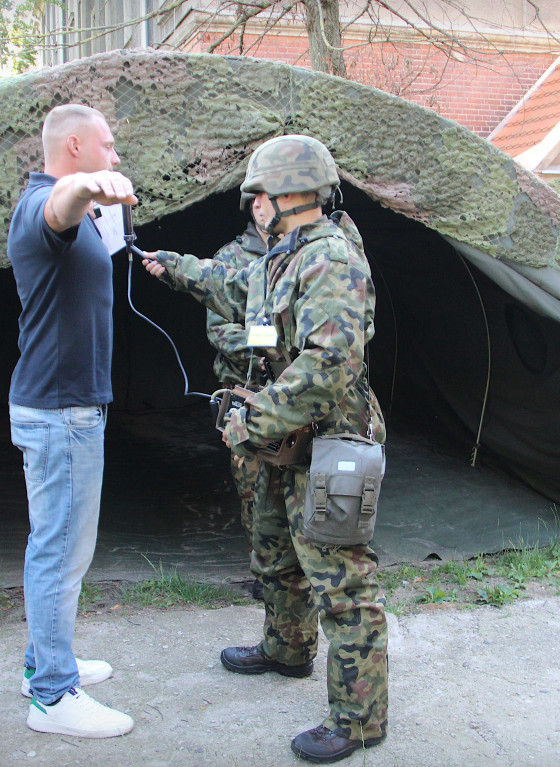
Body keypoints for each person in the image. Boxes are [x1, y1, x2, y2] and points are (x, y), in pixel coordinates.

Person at [142, 135, 389, 763]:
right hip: (285, 441)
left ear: (284, 195)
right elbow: (238, 289)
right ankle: (286, 649)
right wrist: (173, 266)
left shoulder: (330, 258)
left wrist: (255, 417)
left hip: (331, 446)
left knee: (341, 581)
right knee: (276, 551)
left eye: (260, 192)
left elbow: (332, 361)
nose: (254, 203)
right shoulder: (286, 254)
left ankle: (359, 721)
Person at [7, 104, 137, 739]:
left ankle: (45, 660)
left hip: (69, 410)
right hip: (60, 415)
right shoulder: (43, 207)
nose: (115, 158)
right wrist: (89, 185)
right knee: (59, 553)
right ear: (77, 146)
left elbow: (75, 208)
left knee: (62, 549)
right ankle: (53, 698)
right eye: (107, 149)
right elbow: (59, 203)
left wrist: (95, 198)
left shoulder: (80, 216)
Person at [204, 197, 270, 599]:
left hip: (293, 393)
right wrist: (262, 352)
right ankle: (264, 572)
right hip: (247, 393)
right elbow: (219, 328)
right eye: (258, 203)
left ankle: (294, 575)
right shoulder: (230, 257)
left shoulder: (303, 254)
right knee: (252, 486)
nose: (265, 210)